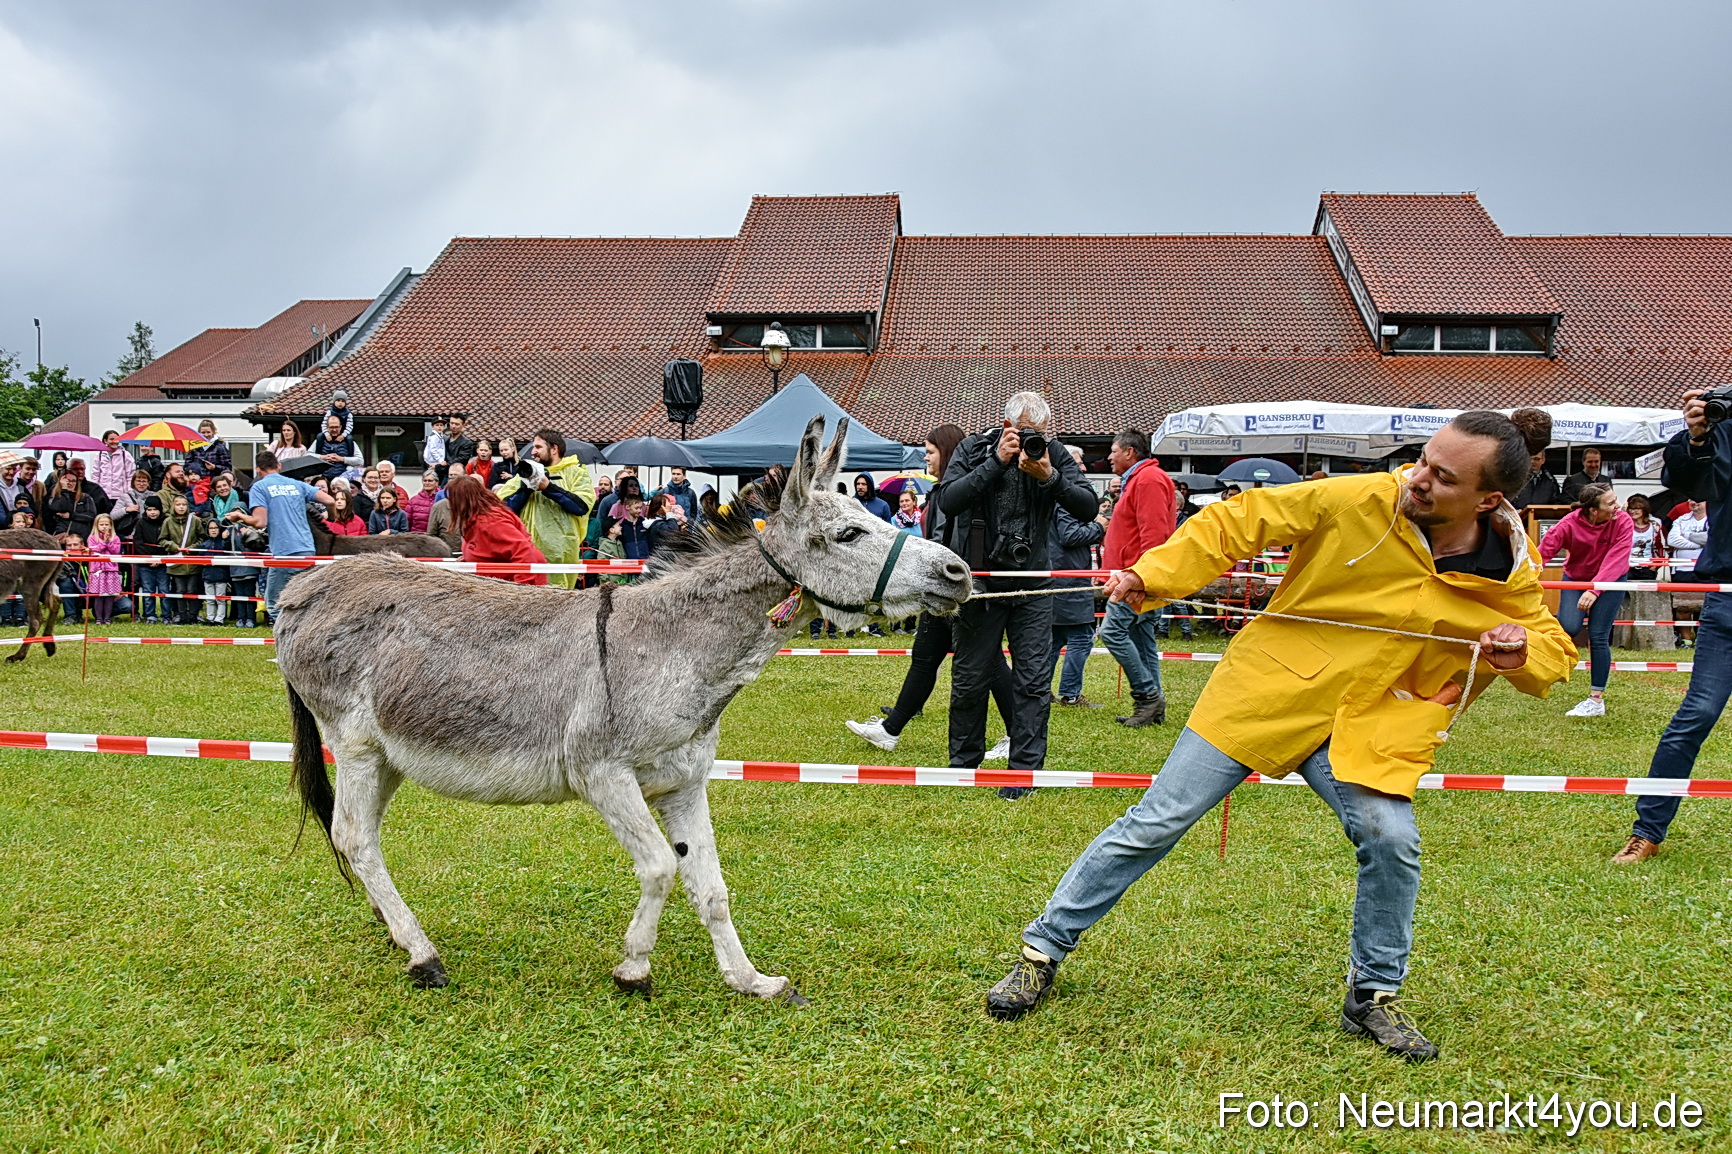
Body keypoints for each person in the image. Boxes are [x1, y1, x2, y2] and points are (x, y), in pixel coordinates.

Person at [982, 411, 1577, 1062]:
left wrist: (1520, 652)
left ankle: (1372, 995)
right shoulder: (1358, 497)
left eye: (1444, 477)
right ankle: (1041, 952)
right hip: (1265, 693)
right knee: (1157, 821)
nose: (1419, 479)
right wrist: (1154, 575)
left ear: (1488, 500)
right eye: (1423, 461)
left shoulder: (1509, 565)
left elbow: (1551, 642)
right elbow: (1238, 521)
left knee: (1392, 840)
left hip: (1367, 720)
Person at [939, 392, 1099, 796]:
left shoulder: (1052, 454)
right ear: (1007, 425)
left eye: (1040, 434)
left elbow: (1088, 507)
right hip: (982, 583)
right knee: (970, 677)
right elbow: (948, 500)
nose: (1033, 441)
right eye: (1026, 433)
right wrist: (996, 462)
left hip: (1034, 584)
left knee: (1033, 681)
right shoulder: (975, 448)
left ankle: (1024, 774)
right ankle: (964, 765)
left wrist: (1050, 477)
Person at [847, 424, 1016, 759]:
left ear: (948, 452)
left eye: (930, 452)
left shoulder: (955, 494)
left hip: (957, 592)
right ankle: (890, 730)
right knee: (925, 657)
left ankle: (1018, 734)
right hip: (939, 592)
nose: (926, 458)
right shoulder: (942, 492)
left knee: (992, 662)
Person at [1614, 388, 1732, 864]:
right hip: (1727, 597)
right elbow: (1687, 481)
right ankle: (1647, 831)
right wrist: (1698, 436)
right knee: (1697, 714)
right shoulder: (1724, 423)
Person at [1097, 428, 1177, 727]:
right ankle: (1154, 707)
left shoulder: (1148, 479)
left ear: (1129, 452)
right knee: (1142, 641)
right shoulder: (1142, 479)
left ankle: (1147, 697)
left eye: (1113, 451)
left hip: (1133, 579)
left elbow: (1154, 534)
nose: (1109, 457)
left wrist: (1141, 577)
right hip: (1133, 576)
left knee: (1112, 633)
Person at [1538, 482, 1634, 718]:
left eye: (1615, 500)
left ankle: (1595, 699)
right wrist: (1525, 575)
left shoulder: (1623, 521)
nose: (1618, 506)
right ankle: (1545, 669)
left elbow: (1616, 559)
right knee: (1568, 626)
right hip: (1576, 577)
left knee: (1598, 635)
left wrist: (1595, 589)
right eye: (1611, 503)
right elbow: (1544, 551)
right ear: (1593, 510)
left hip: (1611, 579)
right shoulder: (1569, 523)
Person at [226, 450, 338, 624]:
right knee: (302, 603)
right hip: (307, 550)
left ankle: (291, 638)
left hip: (284, 553)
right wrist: (332, 517)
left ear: (257, 470)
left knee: (274, 605)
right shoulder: (297, 484)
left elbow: (260, 522)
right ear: (278, 466)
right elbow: (330, 501)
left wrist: (240, 517)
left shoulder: (259, 487)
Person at [498, 429, 595, 588]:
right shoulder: (524, 475)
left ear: (554, 449)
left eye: (538, 447)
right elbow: (502, 510)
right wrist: (526, 488)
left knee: (559, 598)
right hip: (527, 553)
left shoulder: (576, 473)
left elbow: (581, 506)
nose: (533, 452)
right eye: (533, 447)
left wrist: (548, 488)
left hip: (561, 553)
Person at [1045, 469, 1107, 708]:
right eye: (1078, 467)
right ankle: (1070, 695)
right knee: (1081, 638)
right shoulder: (1067, 501)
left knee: (1055, 638)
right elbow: (1070, 535)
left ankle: (1041, 690)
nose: (1084, 471)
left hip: (1059, 576)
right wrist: (1099, 527)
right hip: (1070, 579)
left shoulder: (1056, 498)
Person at [445, 475, 548, 586]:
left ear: (461, 500)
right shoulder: (477, 519)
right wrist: (471, 558)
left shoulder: (491, 521)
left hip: (515, 585)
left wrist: (521, 588)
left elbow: (524, 551)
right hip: (498, 585)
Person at [160, 494, 203, 625]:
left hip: (192, 562)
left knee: (192, 590)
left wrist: (193, 548)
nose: (181, 507)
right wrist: (173, 547)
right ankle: (182, 616)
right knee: (180, 590)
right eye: (178, 504)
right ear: (173, 506)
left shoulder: (195, 520)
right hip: (176, 562)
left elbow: (202, 538)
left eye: (184, 504)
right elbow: (162, 539)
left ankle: (193, 617)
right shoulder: (168, 522)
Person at [1508, 408, 1563, 510]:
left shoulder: (1550, 480)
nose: (1532, 462)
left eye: (1537, 459)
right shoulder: (1511, 475)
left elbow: (1556, 502)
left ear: (1543, 460)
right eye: (1530, 457)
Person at [131, 495, 168, 623]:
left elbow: (167, 542)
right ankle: (150, 615)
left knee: (164, 590)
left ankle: (166, 615)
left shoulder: (166, 522)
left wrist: (159, 558)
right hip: (145, 564)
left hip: (163, 563)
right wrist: (149, 559)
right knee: (148, 591)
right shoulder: (140, 523)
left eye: (155, 509)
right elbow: (138, 543)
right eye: (149, 509)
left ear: (160, 510)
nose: (152, 512)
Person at [190, 517, 232, 625]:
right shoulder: (204, 545)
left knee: (220, 599)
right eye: (211, 528)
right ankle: (210, 618)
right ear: (207, 530)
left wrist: (226, 540)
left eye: (216, 528)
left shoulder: (223, 543)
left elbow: (228, 554)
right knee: (209, 599)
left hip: (221, 576)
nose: (213, 530)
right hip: (207, 576)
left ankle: (220, 619)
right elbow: (200, 560)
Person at [84, 512, 124, 624]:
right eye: (102, 524)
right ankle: (98, 618)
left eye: (107, 524)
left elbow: (116, 551)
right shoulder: (92, 538)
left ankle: (107, 618)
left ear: (111, 525)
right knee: (99, 595)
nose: (104, 527)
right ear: (96, 525)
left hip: (111, 570)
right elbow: (93, 549)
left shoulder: (115, 538)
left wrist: (109, 541)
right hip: (97, 571)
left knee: (109, 596)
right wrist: (104, 542)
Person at [45, 471, 98, 540]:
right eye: (68, 481)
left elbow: (91, 515)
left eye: (73, 481)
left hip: (81, 536)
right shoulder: (56, 496)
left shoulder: (85, 497)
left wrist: (71, 516)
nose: (71, 483)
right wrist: (64, 490)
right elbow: (58, 509)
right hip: (62, 535)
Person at [313, 414, 363, 481]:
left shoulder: (349, 442)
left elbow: (360, 460)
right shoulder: (320, 441)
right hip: (323, 479)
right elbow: (308, 456)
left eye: (336, 427)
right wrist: (323, 457)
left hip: (343, 479)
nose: (334, 429)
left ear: (340, 427)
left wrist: (342, 459)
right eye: (331, 427)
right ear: (327, 427)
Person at [1626, 494, 1665, 574]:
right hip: (1628, 568)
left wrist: (1656, 565)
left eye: (1636, 509)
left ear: (1644, 509)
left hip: (1648, 567)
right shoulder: (1625, 525)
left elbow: (1659, 546)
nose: (1633, 511)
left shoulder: (1655, 525)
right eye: (1631, 508)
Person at [92, 430, 135, 503]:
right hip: (104, 495)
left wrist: (130, 493)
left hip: (121, 496)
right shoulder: (99, 455)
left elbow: (130, 476)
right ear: (105, 441)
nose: (114, 441)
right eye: (111, 439)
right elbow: (95, 475)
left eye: (117, 439)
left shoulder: (125, 455)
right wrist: (95, 492)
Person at [423, 416, 449, 480]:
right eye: (437, 425)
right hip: (433, 462)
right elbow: (433, 450)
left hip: (437, 462)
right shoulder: (433, 437)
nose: (439, 427)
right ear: (432, 427)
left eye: (441, 425)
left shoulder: (441, 436)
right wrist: (441, 461)